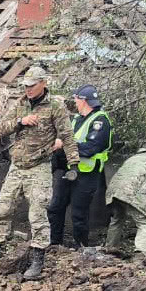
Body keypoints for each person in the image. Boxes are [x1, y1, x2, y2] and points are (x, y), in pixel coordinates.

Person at [0, 66, 78, 281]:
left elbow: (67, 136)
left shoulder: (55, 106)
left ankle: (37, 259)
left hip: (39, 166)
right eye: (26, 86)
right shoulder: (20, 104)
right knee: (4, 208)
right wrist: (21, 122)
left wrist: (74, 164)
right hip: (17, 166)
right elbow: (1, 129)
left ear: (43, 83)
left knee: (38, 214)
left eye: (32, 85)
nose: (28, 89)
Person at [47, 84, 113, 248]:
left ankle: (80, 248)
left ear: (83, 100)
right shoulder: (76, 119)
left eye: (76, 99)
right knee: (55, 207)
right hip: (68, 170)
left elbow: (91, 148)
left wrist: (65, 144)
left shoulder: (100, 120)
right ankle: (54, 244)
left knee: (79, 213)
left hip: (87, 173)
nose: (74, 102)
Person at [105, 140, 146, 258]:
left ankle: (110, 249)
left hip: (114, 190)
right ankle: (141, 254)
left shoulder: (136, 157)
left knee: (117, 219)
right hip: (133, 191)